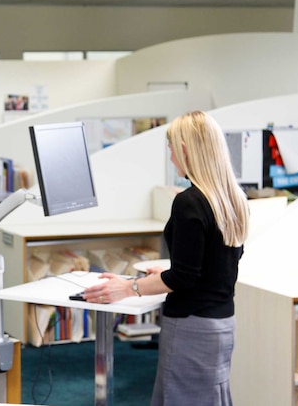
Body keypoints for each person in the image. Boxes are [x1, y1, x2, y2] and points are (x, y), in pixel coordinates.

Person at [81, 110, 249, 405]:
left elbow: (184, 278)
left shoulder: (189, 202)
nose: (171, 156)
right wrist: (169, 270)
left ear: (185, 150)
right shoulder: (232, 197)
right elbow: (222, 262)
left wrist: (128, 287)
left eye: (171, 148)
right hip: (222, 324)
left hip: (191, 327)